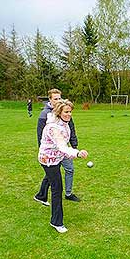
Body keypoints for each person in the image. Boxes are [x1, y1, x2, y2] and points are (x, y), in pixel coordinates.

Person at [38, 99, 88, 233]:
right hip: (48, 160)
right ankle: (56, 222)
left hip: (58, 157)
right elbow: (61, 146)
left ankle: (40, 196)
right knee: (57, 188)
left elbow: (63, 146)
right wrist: (77, 153)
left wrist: (72, 151)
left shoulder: (65, 124)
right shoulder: (53, 128)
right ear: (59, 112)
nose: (69, 114)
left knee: (51, 181)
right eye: (66, 112)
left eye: (70, 111)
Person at [34, 88, 81, 206]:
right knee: (55, 176)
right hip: (52, 152)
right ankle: (45, 197)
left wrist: (74, 145)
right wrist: (46, 155)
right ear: (50, 99)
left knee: (63, 171)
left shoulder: (65, 110)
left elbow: (70, 128)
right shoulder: (45, 115)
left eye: (60, 98)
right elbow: (41, 135)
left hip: (64, 150)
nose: (58, 100)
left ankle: (47, 195)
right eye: (55, 99)